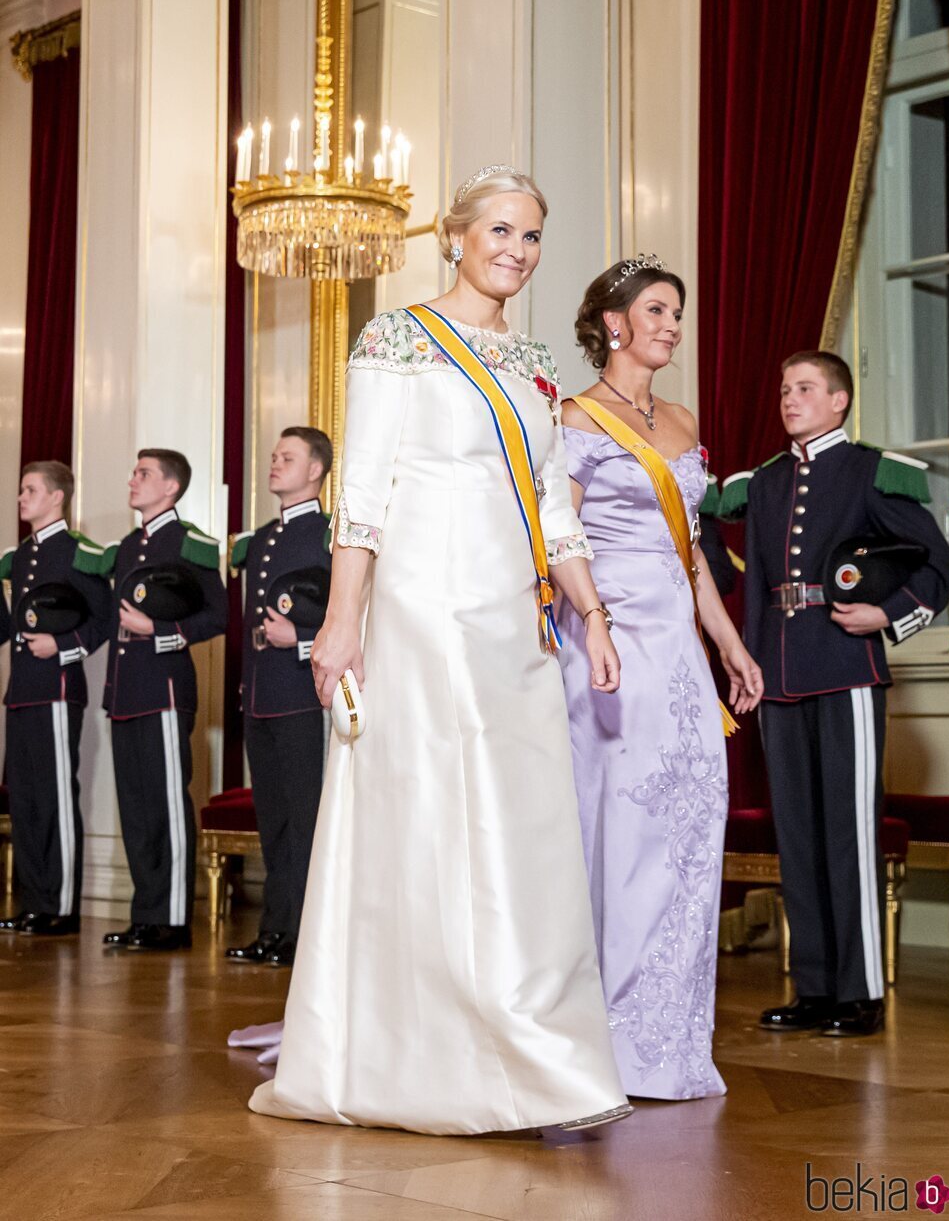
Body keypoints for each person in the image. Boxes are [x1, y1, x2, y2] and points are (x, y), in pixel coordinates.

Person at [248, 165, 631, 1135]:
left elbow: (552, 506)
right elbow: (364, 492)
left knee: (522, 828)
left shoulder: (533, 364)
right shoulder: (397, 339)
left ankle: (529, 1048)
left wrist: (591, 615)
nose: (516, 249)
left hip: (514, 620)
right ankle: (433, 1052)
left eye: (533, 236)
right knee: (439, 822)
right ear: (454, 234)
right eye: (499, 229)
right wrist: (341, 621)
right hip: (423, 611)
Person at [558, 256, 762, 1100]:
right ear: (614, 322)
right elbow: (553, 538)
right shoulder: (573, 417)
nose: (674, 324)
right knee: (623, 831)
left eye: (678, 311)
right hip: (610, 648)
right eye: (658, 309)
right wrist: (594, 625)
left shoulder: (679, 418)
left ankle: (667, 1040)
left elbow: (695, 559)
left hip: (678, 652)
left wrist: (730, 647)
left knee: (686, 829)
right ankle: (602, 1036)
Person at [724, 352, 949, 1037]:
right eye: (784, 388)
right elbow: (759, 582)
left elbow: (936, 566)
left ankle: (860, 992)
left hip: (847, 667)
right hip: (781, 675)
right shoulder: (763, 484)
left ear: (839, 401)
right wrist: (752, 666)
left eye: (804, 388)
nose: (789, 399)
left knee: (848, 833)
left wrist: (887, 616)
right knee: (795, 833)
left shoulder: (868, 471)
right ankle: (816, 988)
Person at [101, 449, 227, 952]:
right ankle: (146, 915)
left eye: (144, 474)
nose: (133, 480)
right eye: (134, 471)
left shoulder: (189, 544)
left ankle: (172, 918)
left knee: (168, 805)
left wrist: (161, 631)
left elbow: (217, 617)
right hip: (125, 692)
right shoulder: (128, 547)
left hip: (165, 690)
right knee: (134, 809)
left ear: (171, 487)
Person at [225, 427, 332, 969]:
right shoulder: (262, 539)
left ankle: (305, 939)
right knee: (273, 823)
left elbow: (357, 621)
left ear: (315, 470)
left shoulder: (329, 535)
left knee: (306, 820)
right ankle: (275, 932)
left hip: (304, 697)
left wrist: (305, 642)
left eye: (287, 457)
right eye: (272, 455)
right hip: (261, 697)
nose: (274, 463)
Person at [0, 462, 110, 935]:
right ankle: (35, 902)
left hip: (58, 689)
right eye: (21, 490)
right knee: (24, 801)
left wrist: (64, 647)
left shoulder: (78, 553)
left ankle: (61, 908)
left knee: (56, 799)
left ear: (57, 497)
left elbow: (104, 619)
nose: (21, 497)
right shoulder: (21, 556)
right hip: (21, 691)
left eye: (30, 490)